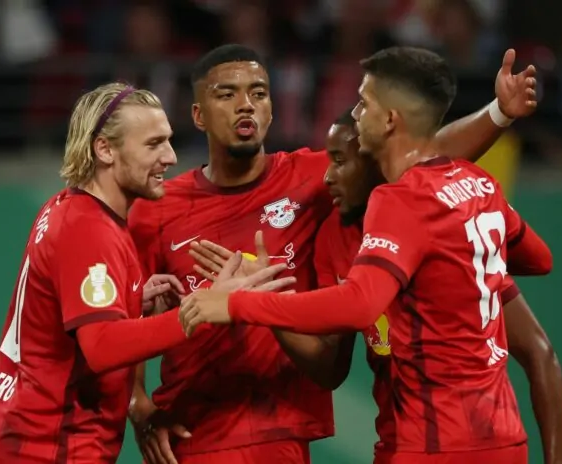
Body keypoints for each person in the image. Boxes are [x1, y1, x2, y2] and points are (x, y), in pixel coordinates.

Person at [128, 44, 539, 464]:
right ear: (198, 115)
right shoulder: (154, 210)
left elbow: (420, 154)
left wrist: (498, 114)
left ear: (272, 109)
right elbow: (127, 309)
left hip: (282, 432)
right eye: (227, 94)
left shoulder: (313, 180)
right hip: (192, 432)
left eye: (258, 93)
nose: (245, 104)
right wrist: (137, 400)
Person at [189, 110, 562, 464]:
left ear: (376, 163)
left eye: (341, 160)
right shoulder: (336, 239)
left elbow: (540, 352)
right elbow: (329, 370)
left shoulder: (439, 226)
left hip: (470, 441)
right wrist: (264, 297)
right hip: (400, 446)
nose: (327, 176)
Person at [0, 82, 293, 463]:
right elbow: (102, 346)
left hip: (22, 441)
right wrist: (204, 309)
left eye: (168, 141)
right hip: (49, 449)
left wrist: (128, 301)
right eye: (153, 144)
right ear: (105, 149)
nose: (170, 157)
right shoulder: (89, 229)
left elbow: (64, 316)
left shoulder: (67, 207)